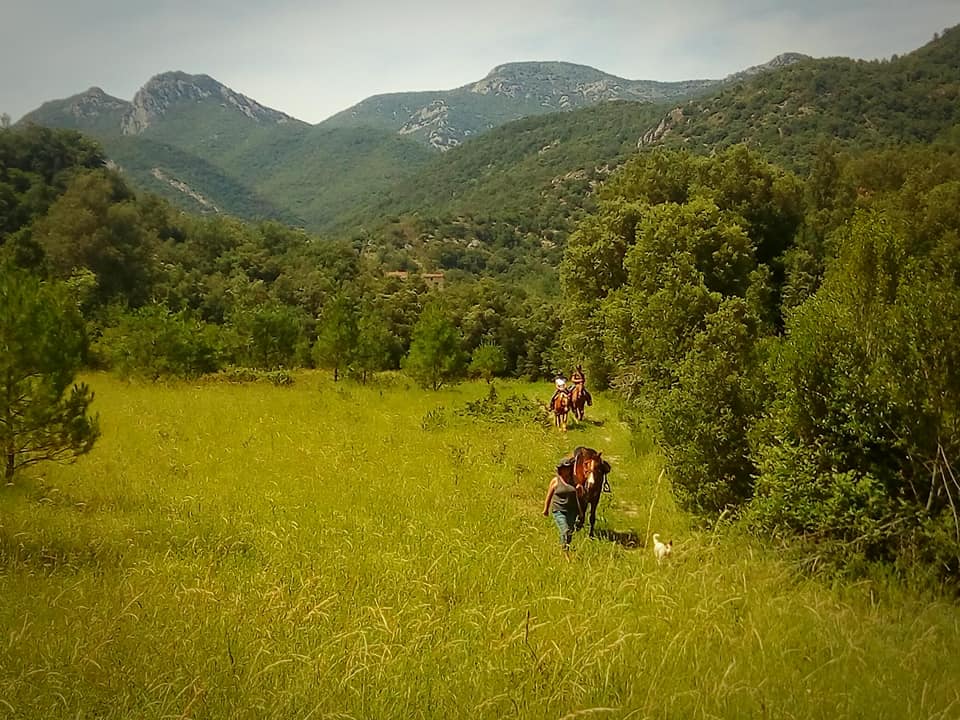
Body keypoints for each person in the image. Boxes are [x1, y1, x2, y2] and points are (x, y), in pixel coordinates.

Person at [543, 457, 580, 550]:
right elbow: (549, 496)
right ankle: (564, 551)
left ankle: (565, 547)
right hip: (559, 510)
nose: (567, 470)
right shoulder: (555, 481)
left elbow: (580, 494)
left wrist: (580, 488)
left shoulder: (574, 480)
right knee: (565, 530)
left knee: (570, 532)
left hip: (572, 510)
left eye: (568, 468)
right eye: (565, 468)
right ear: (561, 469)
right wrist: (546, 509)